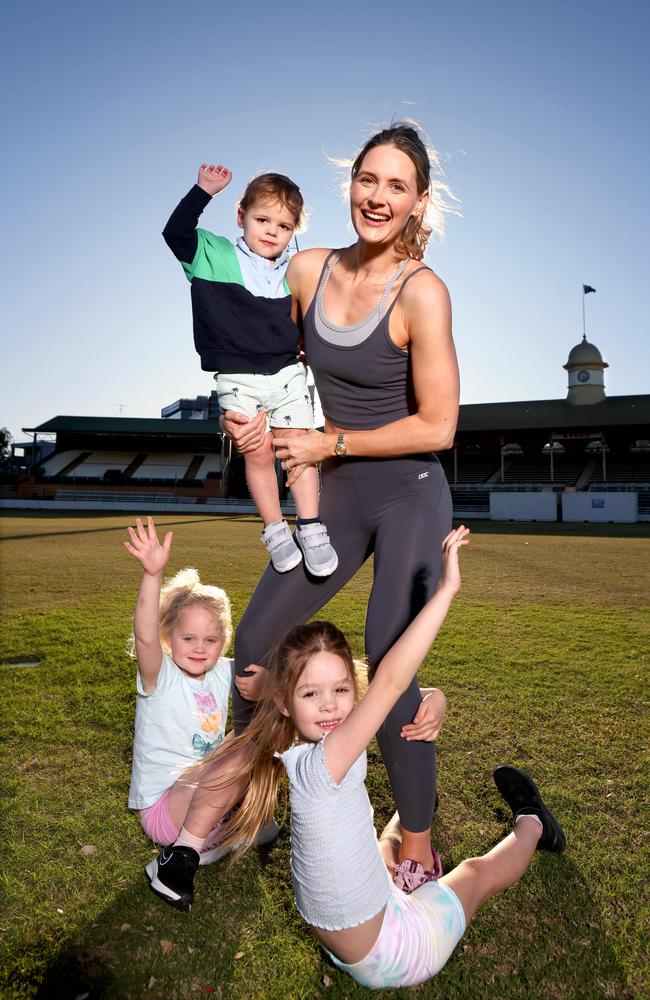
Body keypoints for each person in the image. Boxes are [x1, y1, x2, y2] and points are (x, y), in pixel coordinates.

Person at [143, 527, 566, 988]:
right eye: (311, 693)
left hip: (364, 923)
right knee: (477, 874)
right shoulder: (324, 762)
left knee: (385, 844)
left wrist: (435, 695)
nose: (329, 705)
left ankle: (414, 818)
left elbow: (381, 694)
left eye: (340, 690)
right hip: (396, 951)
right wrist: (446, 592)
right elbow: (388, 683)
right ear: (285, 700)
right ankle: (534, 824)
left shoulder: (291, 741)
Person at [222, 122, 460, 886]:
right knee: (257, 637)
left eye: (396, 185)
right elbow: (268, 363)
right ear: (349, 184)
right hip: (335, 489)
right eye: (368, 179)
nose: (377, 196)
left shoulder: (423, 293)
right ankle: (249, 800)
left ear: (418, 201)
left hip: (409, 488)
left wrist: (334, 444)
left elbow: (440, 424)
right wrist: (243, 409)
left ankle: (418, 842)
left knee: (389, 649)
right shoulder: (307, 271)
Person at [163, 163, 338, 577]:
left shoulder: (299, 270)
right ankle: (276, 530)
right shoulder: (213, 254)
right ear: (241, 216)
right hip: (236, 377)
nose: (272, 230)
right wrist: (203, 191)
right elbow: (175, 234)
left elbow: (314, 321)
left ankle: (310, 527)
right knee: (257, 452)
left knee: (299, 451)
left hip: (287, 374)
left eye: (284, 225)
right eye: (262, 219)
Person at [124, 515, 275, 865]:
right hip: (167, 808)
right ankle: (201, 842)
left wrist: (267, 683)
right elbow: (144, 635)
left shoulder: (222, 671)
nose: (199, 648)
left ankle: (240, 824)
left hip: (207, 790)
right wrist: (152, 574)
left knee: (260, 733)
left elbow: (278, 673)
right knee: (241, 752)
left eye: (210, 640)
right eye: (188, 638)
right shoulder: (159, 677)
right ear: (168, 637)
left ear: (224, 641)